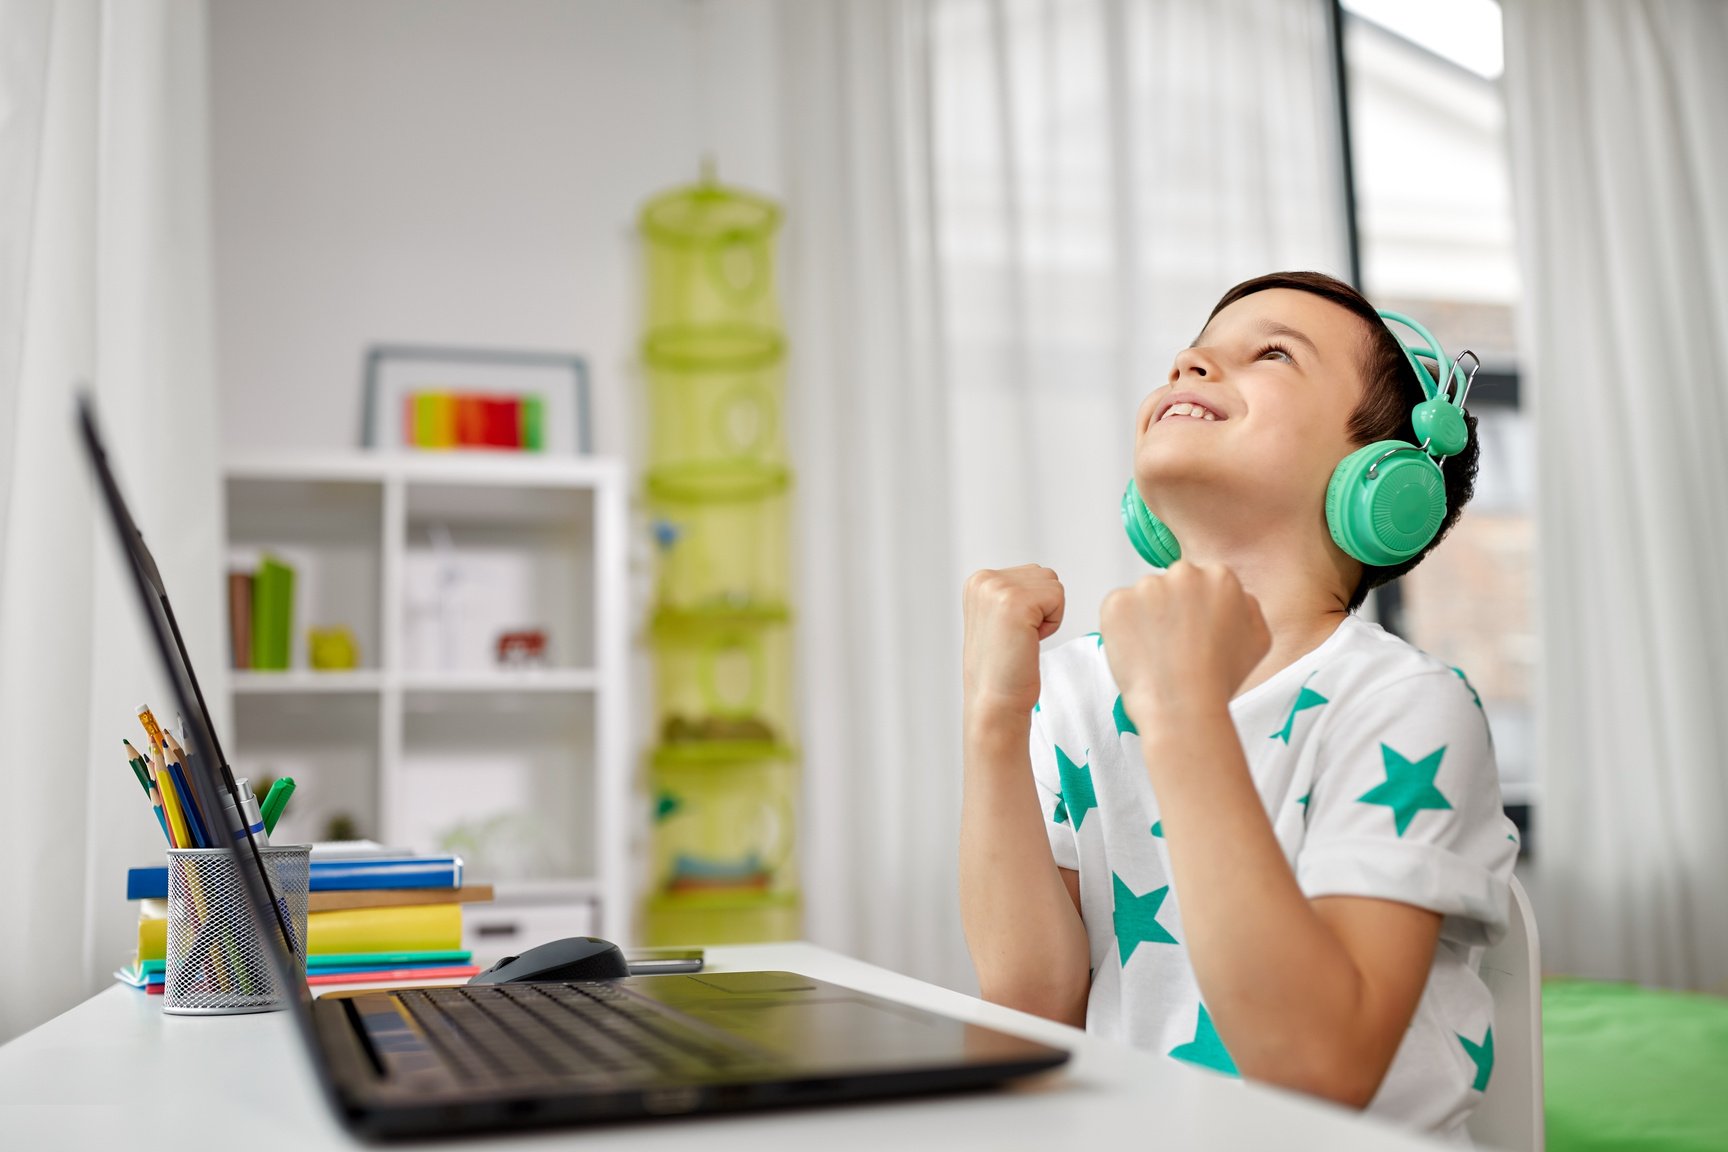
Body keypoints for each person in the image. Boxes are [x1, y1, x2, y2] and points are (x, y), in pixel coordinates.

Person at [959, 271, 1517, 1141]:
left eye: (1269, 353)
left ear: (1382, 478)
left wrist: (1181, 712)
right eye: (1190, 355)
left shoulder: (1405, 706)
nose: (1190, 364)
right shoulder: (1072, 690)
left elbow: (1314, 1069)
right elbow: (1033, 1011)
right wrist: (995, 717)